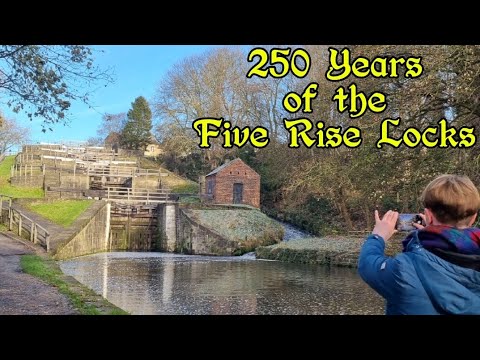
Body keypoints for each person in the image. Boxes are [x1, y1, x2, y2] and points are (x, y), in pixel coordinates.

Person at [358, 174, 480, 315]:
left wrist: (378, 235)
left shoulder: (403, 269)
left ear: (428, 215)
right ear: (474, 217)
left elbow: (367, 264)